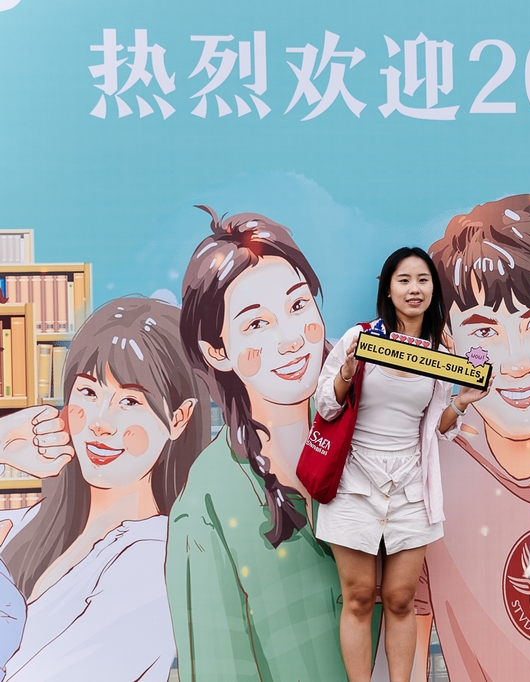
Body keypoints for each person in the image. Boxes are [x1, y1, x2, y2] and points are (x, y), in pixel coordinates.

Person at [168, 207, 353, 681]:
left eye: (298, 306)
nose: (290, 340)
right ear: (217, 351)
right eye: (256, 324)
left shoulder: (369, 430)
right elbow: (217, 667)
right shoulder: (206, 504)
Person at [0, 297, 210, 680]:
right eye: (88, 393)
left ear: (179, 419)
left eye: (130, 400)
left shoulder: (154, 561)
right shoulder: (29, 523)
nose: (101, 423)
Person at [422, 195, 530, 681]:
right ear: (448, 343)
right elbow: (406, 630)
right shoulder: (429, 476)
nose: (515, 361)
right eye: (484, 332)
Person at [314, 246, 490, 682]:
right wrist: (347, 372)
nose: (414, 289)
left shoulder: (439, 355)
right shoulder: (358, 339)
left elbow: (438, 428)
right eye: (404, 280)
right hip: (354, 484)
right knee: (358, 597)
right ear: (388, 291)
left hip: (410, 488)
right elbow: (325, 406)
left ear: (433, 291)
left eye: (423, 280)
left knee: (399, 598)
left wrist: (463, 402)